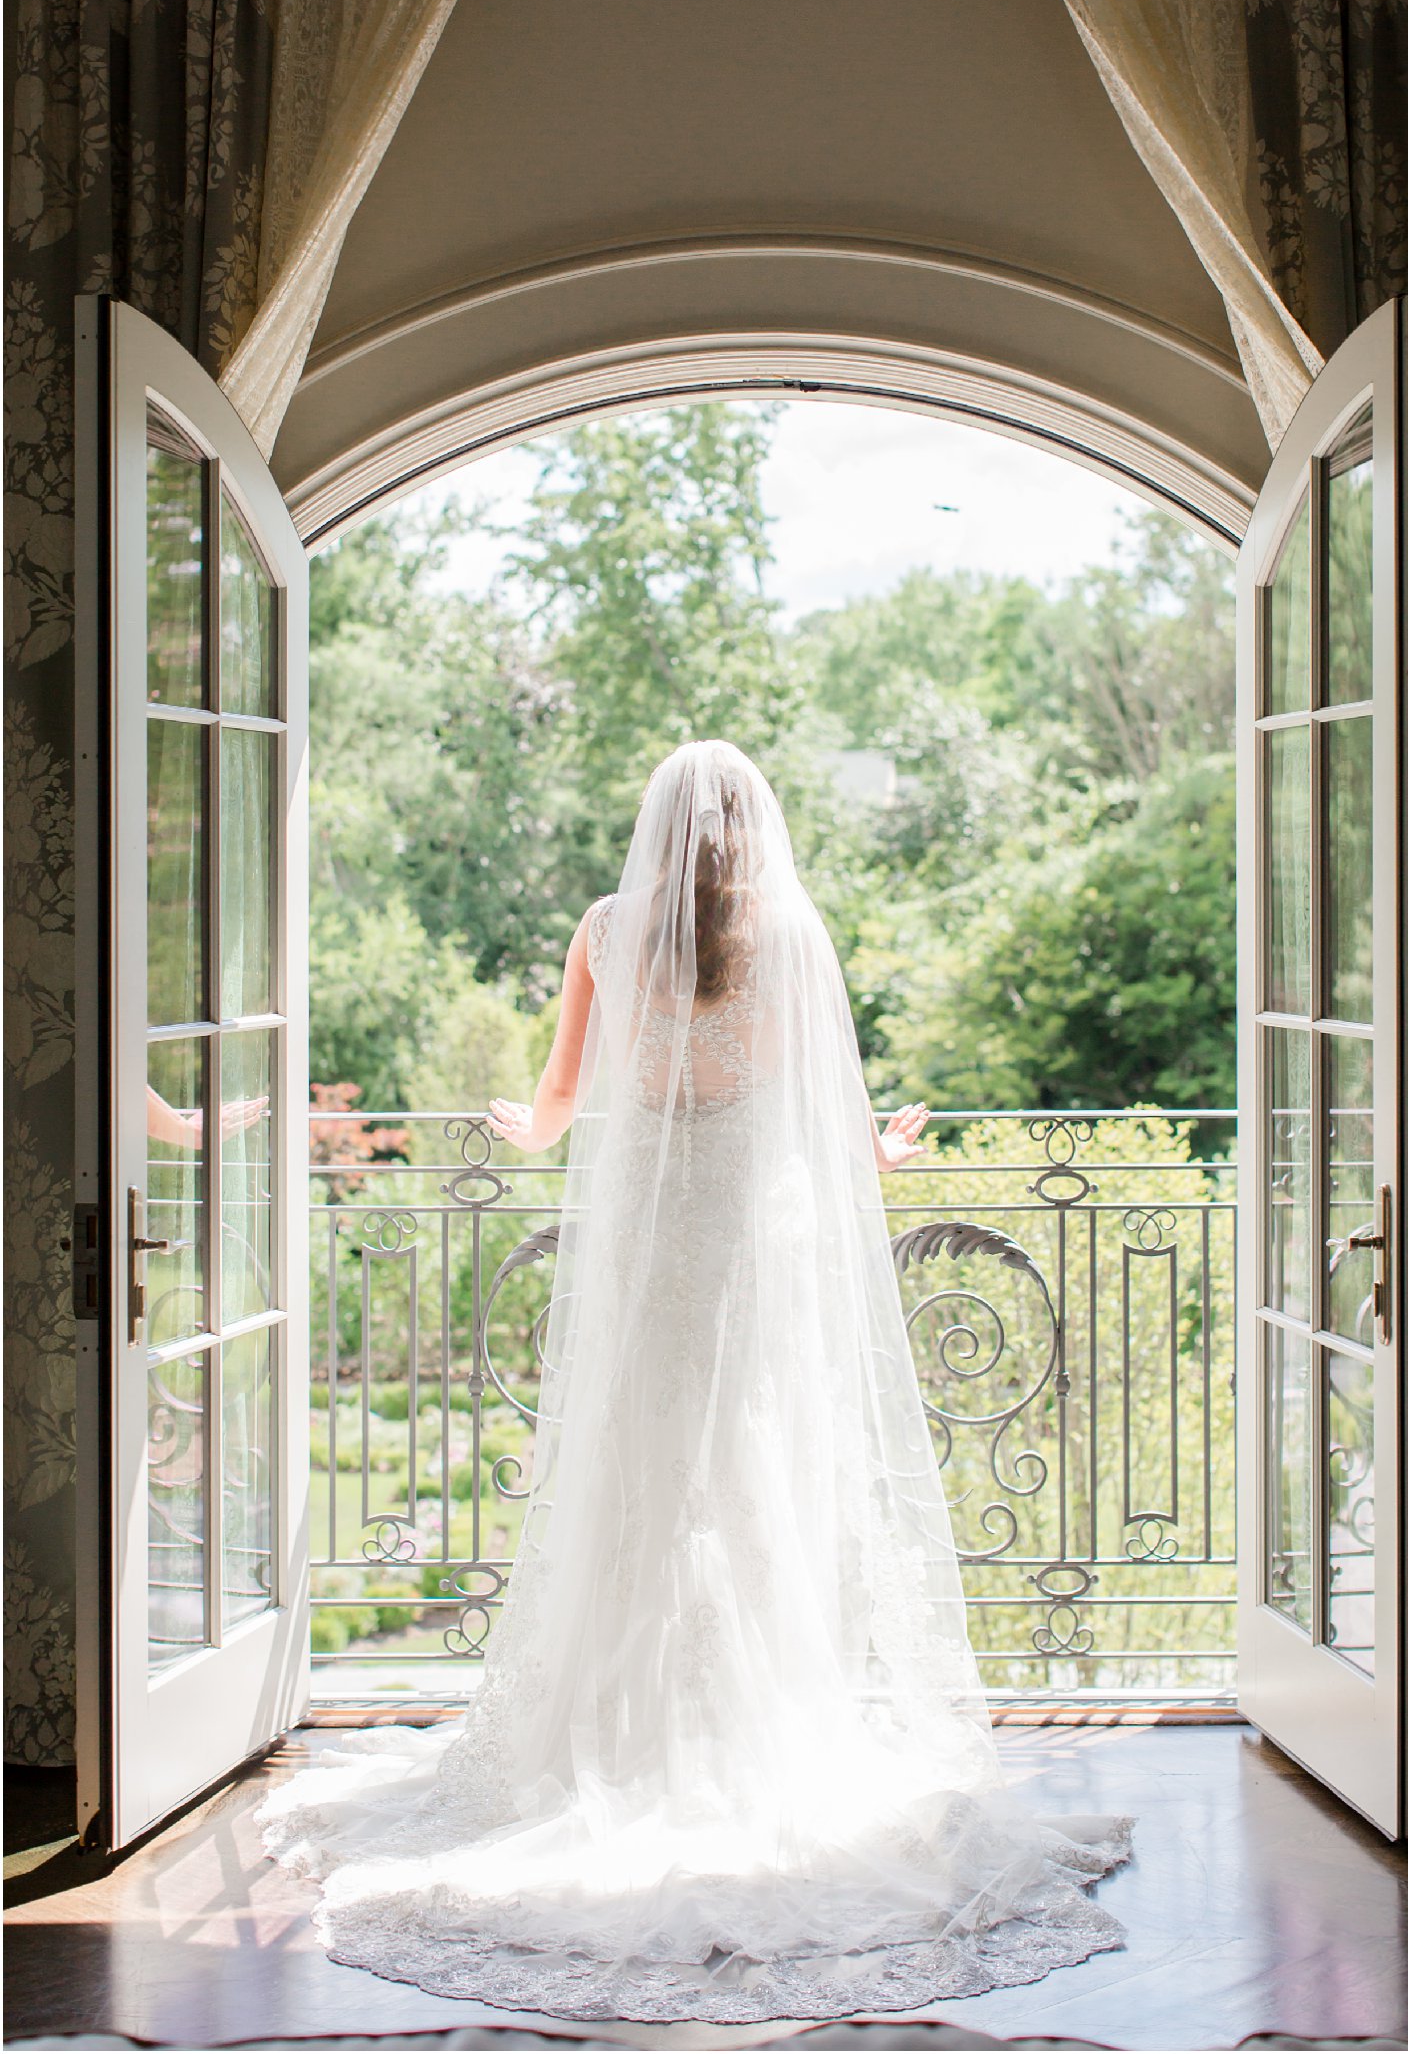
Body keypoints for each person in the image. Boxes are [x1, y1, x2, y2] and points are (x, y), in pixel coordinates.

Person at [259, 741, 1131, 2024]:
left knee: (638, 1474)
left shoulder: (607, 931)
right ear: (751, 834)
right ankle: (752, 1735)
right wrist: (882, 1146)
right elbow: (825, 1115)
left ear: (657, 830)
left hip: (646, 1251)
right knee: (754, 1471)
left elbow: (560, 1101)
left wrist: (523, 1128)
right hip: (749, 1241)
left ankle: (613, 1739)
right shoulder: (790, 938)